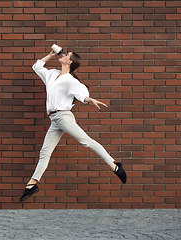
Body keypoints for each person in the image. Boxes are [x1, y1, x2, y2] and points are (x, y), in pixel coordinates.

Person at [19, 48, 127, 202]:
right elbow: (36, 67)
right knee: (45, 153)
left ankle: (114, 165)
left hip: (63, 117)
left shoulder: (71, 80)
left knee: (86, 141)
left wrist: (91, 100)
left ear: (69, 62)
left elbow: (82, 95)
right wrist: (49, 56)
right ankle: (32, 185)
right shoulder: (52, 74)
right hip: (55, 120)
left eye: (66, 55)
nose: (62, 55)